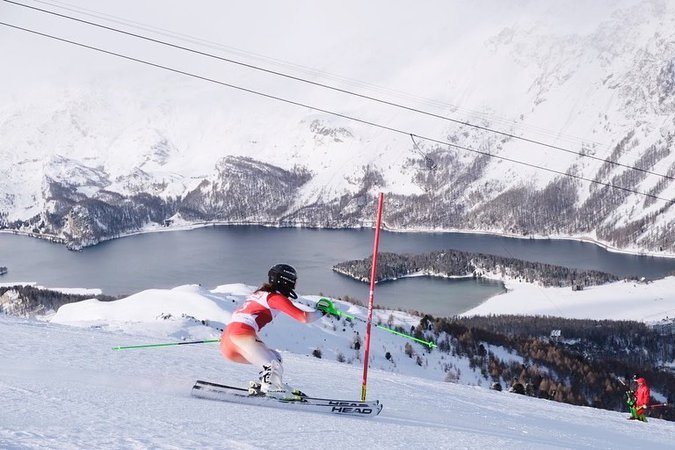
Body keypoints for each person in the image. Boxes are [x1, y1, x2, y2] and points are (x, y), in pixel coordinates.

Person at [219, 263, 338, 400]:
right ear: (286, 281)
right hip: (241, 336)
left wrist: (233, 338)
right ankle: (270, 388)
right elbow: (303, 317)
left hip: (228, 342)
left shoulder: (260, 294)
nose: (294, 286)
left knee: (275, 358)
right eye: (293, 282)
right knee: (273, 365)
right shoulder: (275, 298)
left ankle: (273, 384)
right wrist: (322, 311)